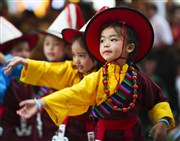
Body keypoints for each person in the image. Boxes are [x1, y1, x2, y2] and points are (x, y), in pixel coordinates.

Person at [4, 7, 175, 141]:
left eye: (113, 39)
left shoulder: (138, 78)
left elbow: (157, 100)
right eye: (102, 40)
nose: (106, 44)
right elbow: (74, 91)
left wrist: (163, 121)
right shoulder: (98, 77)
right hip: (101, 134)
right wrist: (40, 102)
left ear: (130, 48)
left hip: (132, 135)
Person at [29, 3, 85, 141]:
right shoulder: (42, 66)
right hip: (42, 119)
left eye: (56, 44)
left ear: (68, 49)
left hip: (65, 123)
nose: (50, 48)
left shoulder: (73, 70)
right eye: (47, 44)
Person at [0, 16, 39, 141]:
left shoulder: (32, 71)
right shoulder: (3, 74)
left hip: (30, 127)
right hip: (8, 127)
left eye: (27, 50)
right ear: (7, 54)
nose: (24, 54)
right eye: (18, 50)